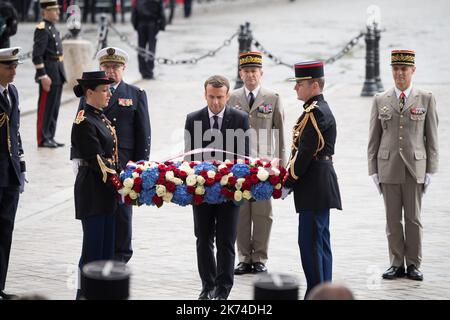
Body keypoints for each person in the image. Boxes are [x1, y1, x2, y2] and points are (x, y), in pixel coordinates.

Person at [368, 50, 438, 282]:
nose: (399, 73)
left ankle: (414, 264)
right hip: (388, 167)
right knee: (392, 219)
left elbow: (432, 137)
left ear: (413, 70)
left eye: (404, 69)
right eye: (396, 69)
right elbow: (373, 138)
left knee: (413, 219)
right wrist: (373, 170)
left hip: (414, 168)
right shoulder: (380, 99)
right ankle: (396, 263)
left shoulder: (425, 98)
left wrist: (431, 170)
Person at [76, 46, 151, 263]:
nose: (111, 71)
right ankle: (105, 257)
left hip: (125, 164)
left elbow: (143, 132)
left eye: (115, 67)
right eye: (106, 66)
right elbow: (81, 121)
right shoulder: (91, 92)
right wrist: (76, 157)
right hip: (99, 162)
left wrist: (140, 165)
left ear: (124, 68)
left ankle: (121, 256)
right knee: (103, 213)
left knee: (123, 213)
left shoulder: (135, 94)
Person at [184, 75, 249, 300]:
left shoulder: (240, 119)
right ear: (205, 94)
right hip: (201, 192)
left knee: (226, 241)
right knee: (203, 239)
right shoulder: (193, 119)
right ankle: (207, 286)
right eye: (211, 97)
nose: (215, 102)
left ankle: (223, 290)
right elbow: (189, 159)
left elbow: (244, 157)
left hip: (229, 192)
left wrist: (229, 178)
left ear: (228, 95)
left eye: (220, 97)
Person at [283, 60, 342, 298]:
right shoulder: (314, 109)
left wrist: (289, 181)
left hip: (314, 184)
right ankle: (321, 290)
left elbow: (305, 151)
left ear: (314, 85)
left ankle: (317, 292)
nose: (295, 88)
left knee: (311, 243)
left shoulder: (316, 112)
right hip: (316, 184)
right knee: (318, 241)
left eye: (300, 83)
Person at [228, 51, 286, 275]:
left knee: (263, 213)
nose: (250, 75)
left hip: (265, 165)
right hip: (239, 165)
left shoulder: (273, 98)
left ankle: (260, 257)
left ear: (261, 73)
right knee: (241, 212)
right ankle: (243, 257)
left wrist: (281, 165)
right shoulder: (232, 98)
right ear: (241, 73)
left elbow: (280, 133)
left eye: (254, 71)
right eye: (246, 71)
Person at [70, 70, 122, 299]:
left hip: (106, 192)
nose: (109, 94)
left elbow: (112, 156)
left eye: (109, 89)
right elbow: (98, 160)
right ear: (90, 92)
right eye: (104, 90)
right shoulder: (83, 120)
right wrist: (120, 182)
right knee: (92, 250)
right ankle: (83, 293)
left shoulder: (99, 116)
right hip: (93, 191)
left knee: (105, 249)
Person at [0, 47, 26, 300]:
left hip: (10, 174)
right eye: (8, 67)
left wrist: (22, 166)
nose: (14, 71)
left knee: (6, 229)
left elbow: (15, 131)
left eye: (16, 66)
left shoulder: (13, 92)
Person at [32, 0, 66, 148]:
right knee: (45, 108)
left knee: (54, 107)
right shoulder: (42, 29)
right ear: (45, 12)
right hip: (49, 74)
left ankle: (50, 135)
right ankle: (43, 138)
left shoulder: (52, 28)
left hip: (57, 72)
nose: (58, 12)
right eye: (55, 10)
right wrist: (43, 76)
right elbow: (37, 56)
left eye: (58, 10)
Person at [131, 0, 165, 80]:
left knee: (141, 48)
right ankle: (149, 69)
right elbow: (161, 12)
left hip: (141, 24)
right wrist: (161, 25)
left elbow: (134, 11)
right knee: (151, 48)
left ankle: (143, 70)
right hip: (152, 24)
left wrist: (135, 25)